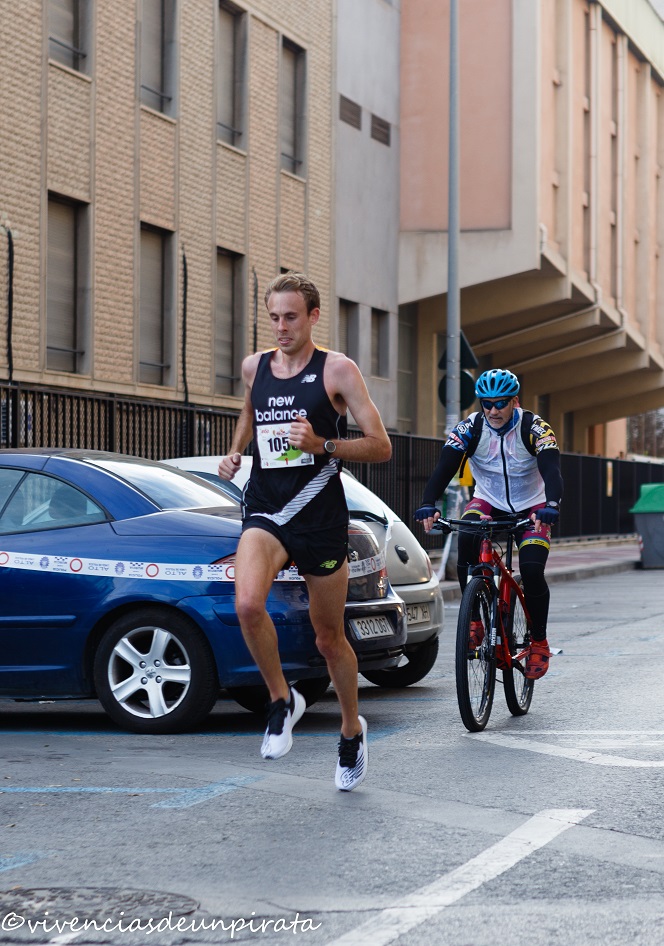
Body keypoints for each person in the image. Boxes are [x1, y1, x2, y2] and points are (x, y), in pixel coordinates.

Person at [218, 271, 392, 790]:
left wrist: (323, 445)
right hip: (267, 508)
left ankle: (351, 729)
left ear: (313, 316)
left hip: (319, 514)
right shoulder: (255, 367)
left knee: (328, 637)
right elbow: (250, 411)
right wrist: (235, 450)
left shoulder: (338, 370)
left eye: (291, 317)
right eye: (274, 317)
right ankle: (281, 699)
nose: (281, 327)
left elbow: (381, 445)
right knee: (247, 605)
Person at [415, 368, 563, 679]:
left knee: (532, 570)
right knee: (466, 537)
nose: (493, 410)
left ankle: (539, 640)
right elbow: (445, 467)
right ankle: (474, 618)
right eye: (487, 404)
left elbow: (552, 470)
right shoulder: (470, 428)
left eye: (501, 403)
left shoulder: (535, 428)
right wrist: (429, 503)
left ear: (514, 401)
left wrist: (551, 505)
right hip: (488, 501)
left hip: (533, 506)